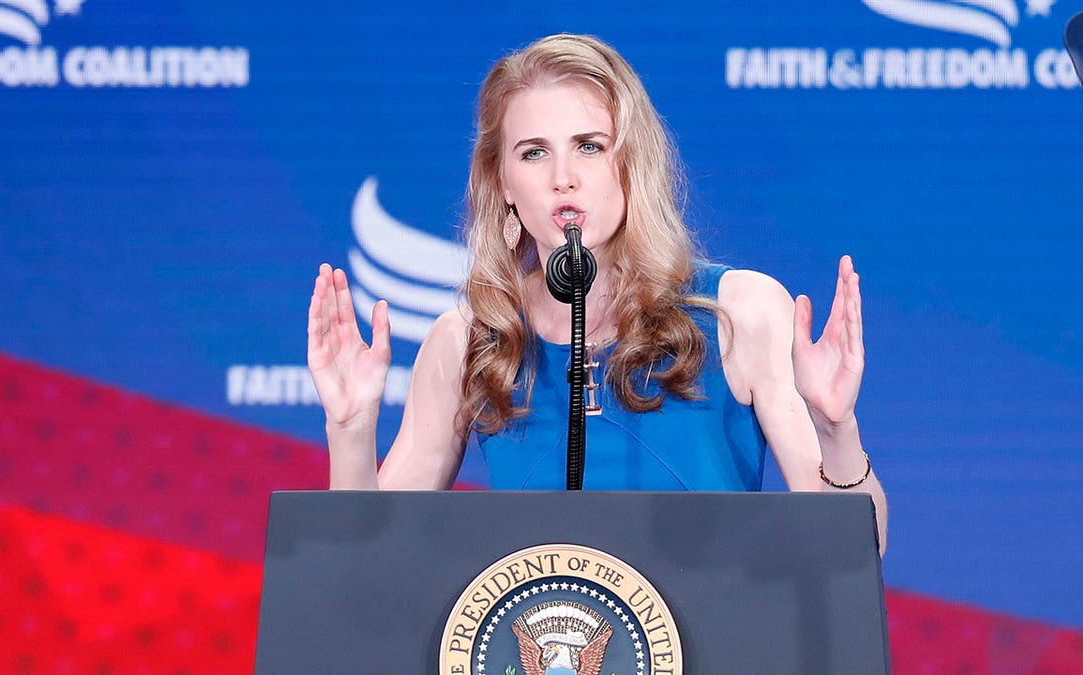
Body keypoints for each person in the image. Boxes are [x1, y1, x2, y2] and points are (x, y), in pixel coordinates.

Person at [306, 34, 887, 553]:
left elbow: (859, 552)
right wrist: (352, 427)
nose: (564, 176)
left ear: (630, 163)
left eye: (589, 146)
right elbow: (367, 563)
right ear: (503, 183)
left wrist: (837, 429)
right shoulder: (471, 339)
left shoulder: (740, 311)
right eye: (533, 152)